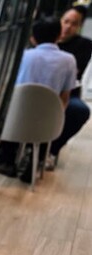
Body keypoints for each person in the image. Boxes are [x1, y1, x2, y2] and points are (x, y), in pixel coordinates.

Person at [0, 17, 77, 182]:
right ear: (58, 35)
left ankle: (6, 159)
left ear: (32, 38)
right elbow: (65, 96)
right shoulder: (69, 60)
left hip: (16, 119)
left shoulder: (24, 56)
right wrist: (57, 119)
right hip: (46, 124)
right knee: (48, 115)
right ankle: (36, 158)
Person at [50, 4, 92, 167]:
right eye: (66, 21)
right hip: (41, 89)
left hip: (67, 93)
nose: (68, 27)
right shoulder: (46, 37)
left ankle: (52, 149)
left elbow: (76, 71)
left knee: (80, 111)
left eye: (74, 24)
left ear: (79, 27)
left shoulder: (84, 45)